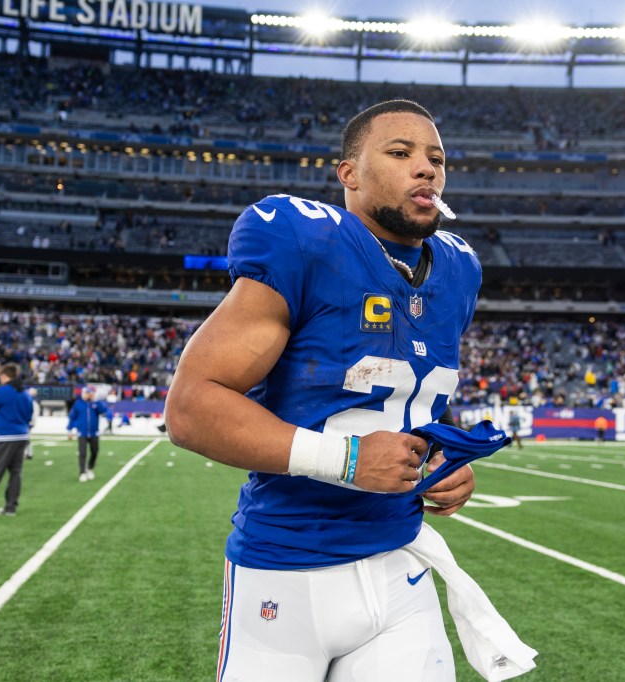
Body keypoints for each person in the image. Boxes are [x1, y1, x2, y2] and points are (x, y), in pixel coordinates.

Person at [165, 100, 535, 681]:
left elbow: (390, 402)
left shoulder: (458, 269)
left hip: (399, 567)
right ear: (349, 174)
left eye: (436, 158)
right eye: (400, 153)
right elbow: (190, 408)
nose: (427, 169)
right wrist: (347, 459)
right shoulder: (305, 239)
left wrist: (434, 458)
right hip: (288, 574)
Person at [0, 364, 34, 516]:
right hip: (22, 436)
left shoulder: (2, 391)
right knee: (16, 472)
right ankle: (11, 507)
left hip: (6, 437)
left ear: (4, 376)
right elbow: (29, 416)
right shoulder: (26, 394)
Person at [67, 385, 113, 482]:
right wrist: (69, 430)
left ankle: (90, 468)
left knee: (95, 451)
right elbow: (72, 417)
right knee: (82, 453)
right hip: (82, 433)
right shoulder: (78, 404)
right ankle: (82, 472)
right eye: (87, 393)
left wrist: (95, 401)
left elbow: (105, 410)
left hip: (94, 433)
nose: (89, 395)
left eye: (91, 393)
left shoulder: (96, 404)